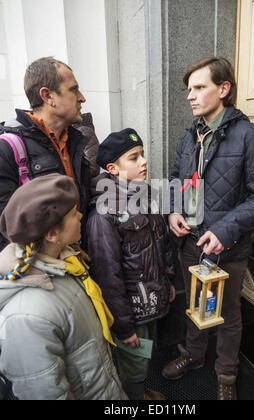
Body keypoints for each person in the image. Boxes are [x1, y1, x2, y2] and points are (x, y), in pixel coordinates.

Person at [162, 57, 254, 400]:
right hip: (189, 244)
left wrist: (225, 230)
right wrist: (173, 212)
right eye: (189, 90)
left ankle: (226, 376)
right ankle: (193, 356)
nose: (190, 96)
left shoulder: (249, 135)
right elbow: (174, 180)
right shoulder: (189, 136)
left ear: (223, 89)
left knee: (227, 316)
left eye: (199, 88)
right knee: (195, 308)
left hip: (226, 248)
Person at [0, 173, 127, 400]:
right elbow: (45, 391)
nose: (80, 215)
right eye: (72, 214)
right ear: (51, 234)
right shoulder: (27, 317)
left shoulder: (67, 262)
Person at [87, 128, 176, 400]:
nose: (144, 162)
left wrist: (168, 280)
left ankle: (139, 389)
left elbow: (162, 244)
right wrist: (123, 327)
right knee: (134, 358)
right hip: (131, 309)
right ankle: (134, 397)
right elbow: (108, 277)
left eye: (143, 155)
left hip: (151, 297)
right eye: (134, 158)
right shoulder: (104, 214)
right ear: (113, 168)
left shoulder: (144, 194)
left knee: (143, 355)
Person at [0, 56, 91, 251]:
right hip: (38, 273)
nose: (82, 97)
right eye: (73, 89)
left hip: (75, 263)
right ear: (48, 96)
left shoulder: (75, 140)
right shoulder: (7, 149)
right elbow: (5, 232)